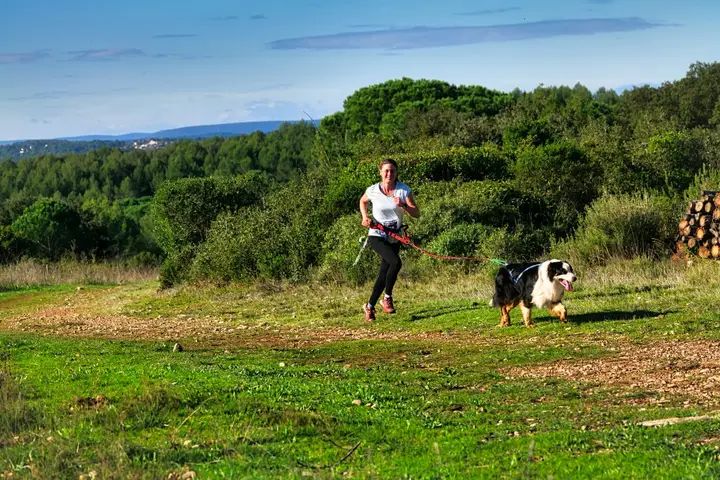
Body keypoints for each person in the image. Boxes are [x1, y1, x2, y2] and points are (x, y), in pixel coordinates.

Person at [359, 158, 420, 322]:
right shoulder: (372, 190)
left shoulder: (403, 190)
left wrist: (404, 206)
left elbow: (416, 214)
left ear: (396, 172)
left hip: (395, 236)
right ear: (380, 172)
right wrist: (365, 217)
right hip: (377, 233)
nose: (389, 174)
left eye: (392, 170)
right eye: (386, 170)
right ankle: (387, 297)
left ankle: (370, 307)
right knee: (396, 262)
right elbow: (363, 201)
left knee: (383, 273)